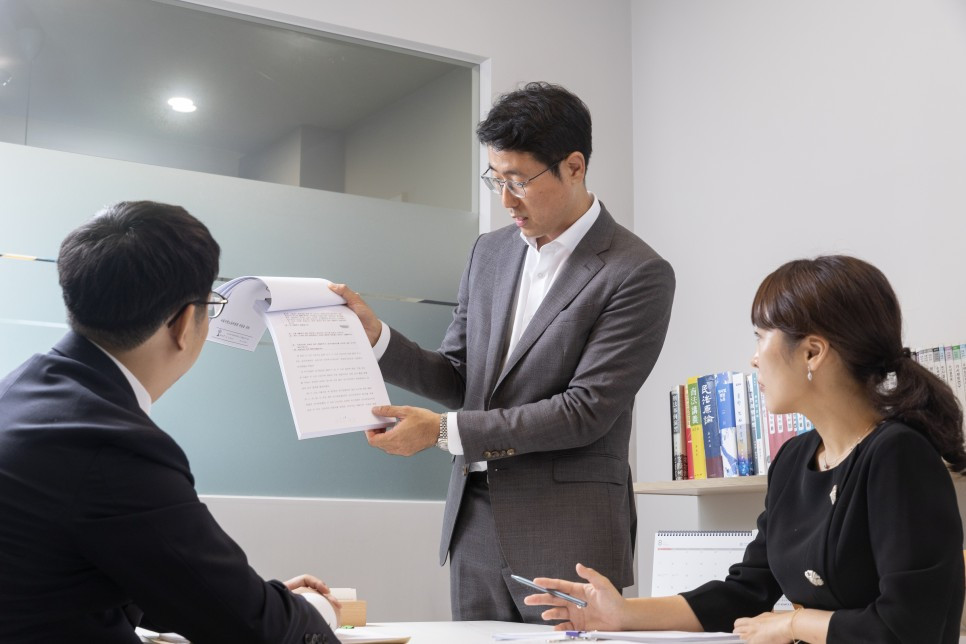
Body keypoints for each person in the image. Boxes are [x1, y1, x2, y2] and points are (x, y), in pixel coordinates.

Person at [330, 81, 676, 623]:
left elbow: (586, 411)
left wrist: (442, 432)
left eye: (518, 181)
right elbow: (460, 377)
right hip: (474, 525)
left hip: (570, 533)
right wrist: (377, 338)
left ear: (574, 167)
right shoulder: (490, 252)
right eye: (496, 179)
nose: (506, 200)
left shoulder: (637, 271)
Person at [525, 255, 965, 643]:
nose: (754, 358)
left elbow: (909, 629)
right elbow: (746, 591)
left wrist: (794, 623)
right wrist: (622, 614)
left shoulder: (898, 456)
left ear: (812, 352)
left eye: (760, 337)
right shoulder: (793, 459)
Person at [0, 201, 340, 643]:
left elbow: (86, 567)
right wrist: (314, 611)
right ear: (183, 323)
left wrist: (254, 599)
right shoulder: (114, 444)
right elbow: (250, 630)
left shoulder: (18, 392)